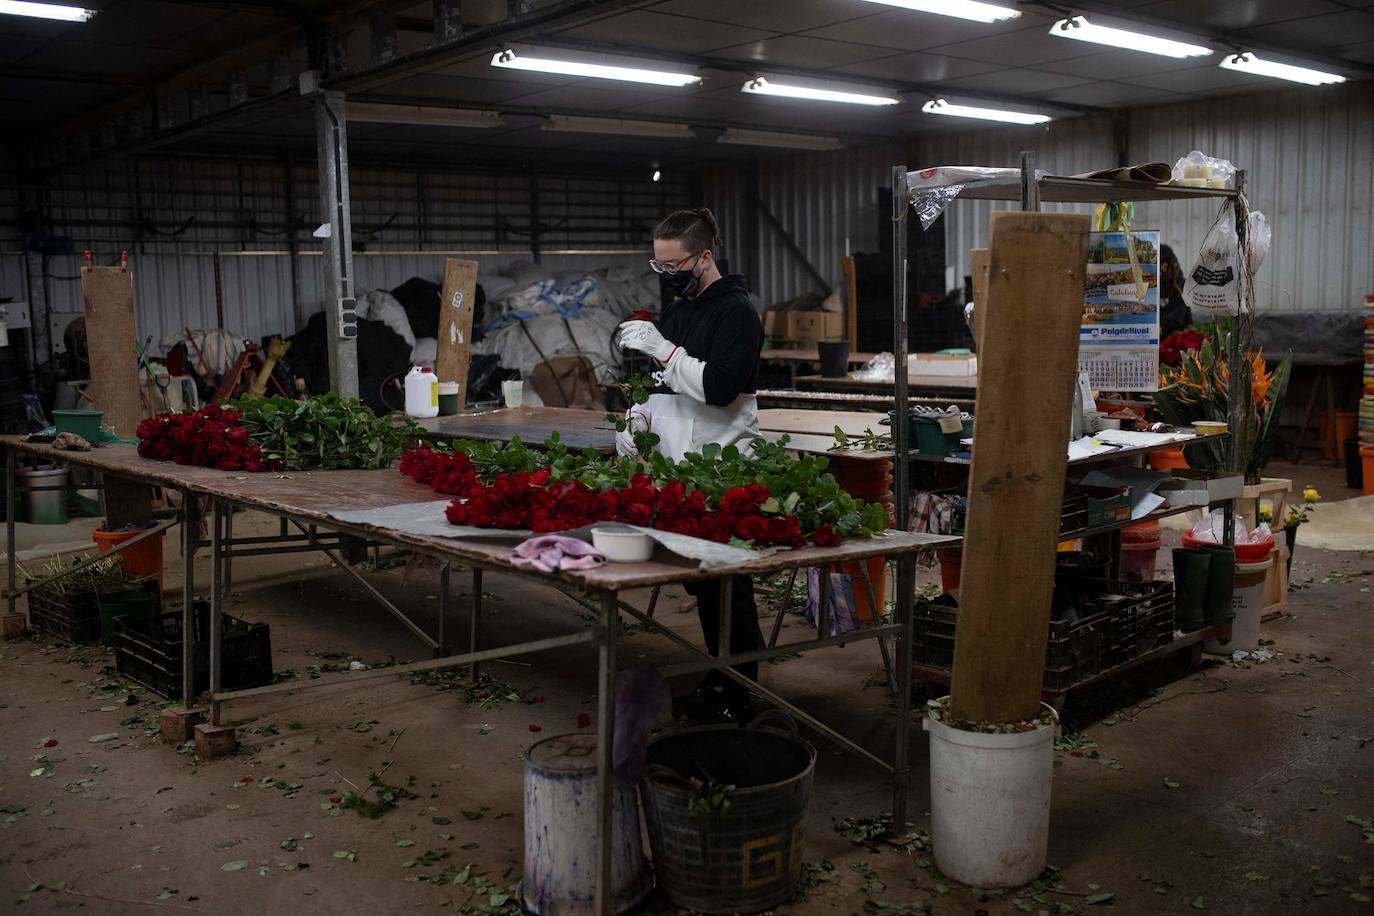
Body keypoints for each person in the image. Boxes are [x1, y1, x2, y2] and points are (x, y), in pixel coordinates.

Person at [614, 207, 763, 722]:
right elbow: (666, 385)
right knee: (701, 582)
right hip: (681, 465)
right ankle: (720, 679)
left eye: (674, 266)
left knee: (725, 584)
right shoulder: (680, 309)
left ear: (704, 257)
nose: (667, 276)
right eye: (658, 267)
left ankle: (740, 689)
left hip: (720, 466)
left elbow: (720, 390)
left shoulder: (736, 313)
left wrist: (666, 351)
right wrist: (637, 420)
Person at [1159, 243, 1192, 337]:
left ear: (1164, 266)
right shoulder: (1158, 282)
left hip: (1177, 338)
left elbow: (1176, 319)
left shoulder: (1180, 285)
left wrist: (1162, 328)